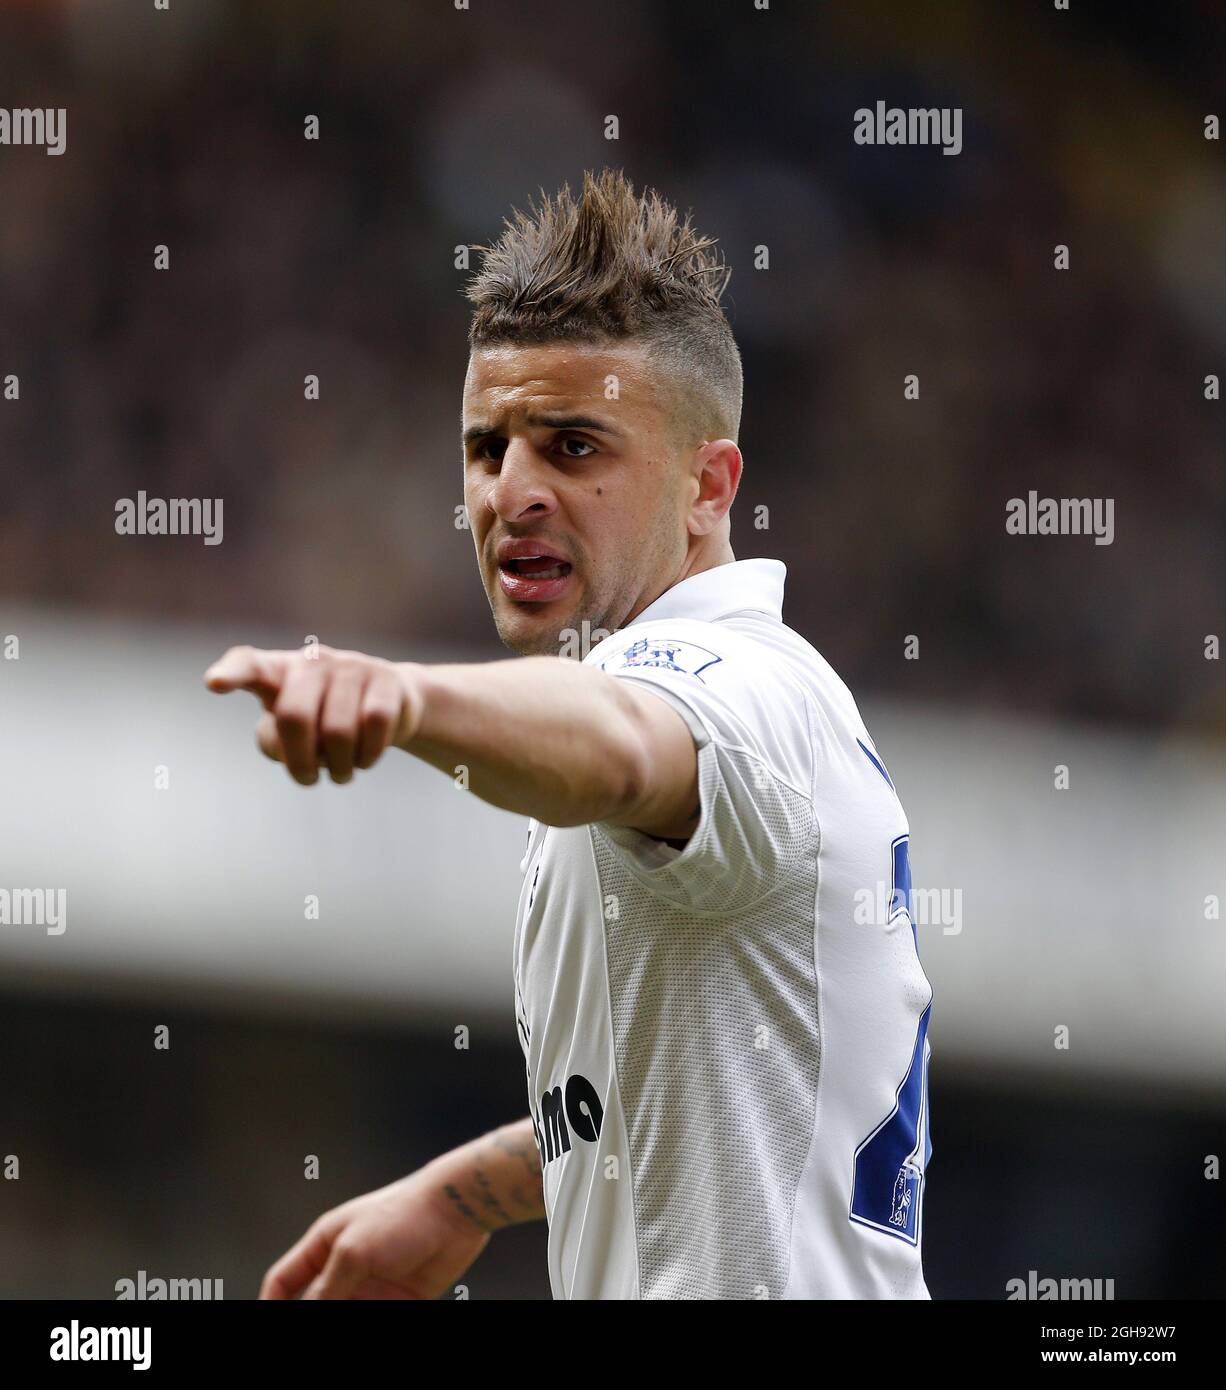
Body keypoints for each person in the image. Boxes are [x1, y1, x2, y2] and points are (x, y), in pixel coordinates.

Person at [205, 168, 934, 1300]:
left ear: (708, 485)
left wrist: (404, 699)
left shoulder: (729, 690)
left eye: (574, 448)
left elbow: (623, 742)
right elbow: (677, 1093)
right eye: (486, 447)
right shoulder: (775, 700)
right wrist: (460, 1194)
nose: (512, 492)